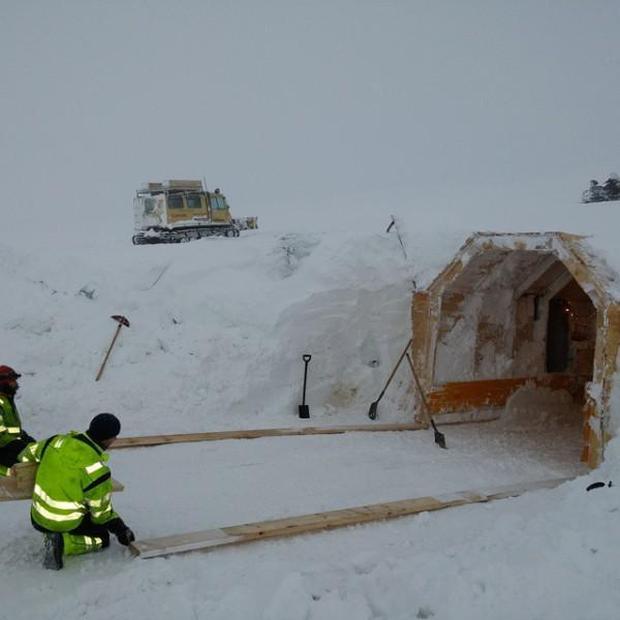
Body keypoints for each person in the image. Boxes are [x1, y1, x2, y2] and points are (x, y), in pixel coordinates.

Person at [20, 413, 135, 570]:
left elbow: (26, 454)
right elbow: (101, 514)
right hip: (63, 522)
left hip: (38, 517)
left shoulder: (57, 441)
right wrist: (120, 529)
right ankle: (63, 543)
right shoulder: (97, 471)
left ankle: (56, 536)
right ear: (110, 439)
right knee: (102, 538)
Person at [0, 365, 36, 477]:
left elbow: (11, 428)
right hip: (2, 449)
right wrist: (17, 444)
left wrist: (23, 436)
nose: (16, 384)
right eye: (12, 381)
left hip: (7, 445)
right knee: (25, 464)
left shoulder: (6, 401)